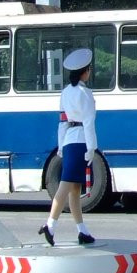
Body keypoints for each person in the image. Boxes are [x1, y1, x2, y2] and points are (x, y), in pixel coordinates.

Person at [41, 47, 98, 246]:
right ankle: (50, 225)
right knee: (66, 185)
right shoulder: (85, 93)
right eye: (88, 69)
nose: (89, 72)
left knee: (75, 188)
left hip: (68, 140)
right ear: (84, 72)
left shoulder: (65, 93)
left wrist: (60, 145)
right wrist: (91, 147)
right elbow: (88, 122)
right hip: (81, 140)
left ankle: (82, 231)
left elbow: (62, 121)